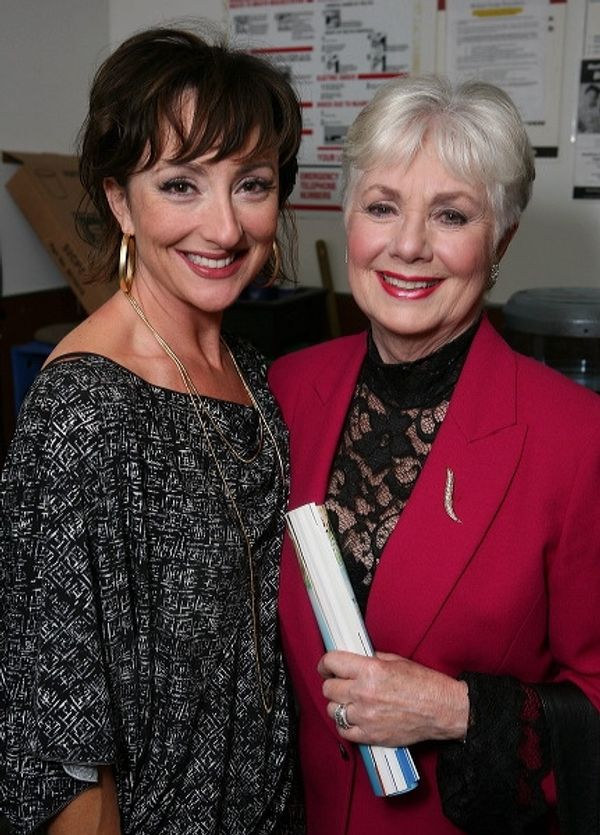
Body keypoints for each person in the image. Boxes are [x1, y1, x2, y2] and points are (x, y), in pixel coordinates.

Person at [269, 75, 600, 834]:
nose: (409, 245)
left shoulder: (576, 439)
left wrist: (455, 709)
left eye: (450, 214)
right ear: (349, 218)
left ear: (500, 240)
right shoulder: (285, 390)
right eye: (382, 206)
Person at [0, 26, 303, 834]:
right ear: (115, 199)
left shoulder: (250, 370)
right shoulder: (86, 410)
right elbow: (58, 740)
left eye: (252, 183)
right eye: (181, 185)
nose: (224, 227)